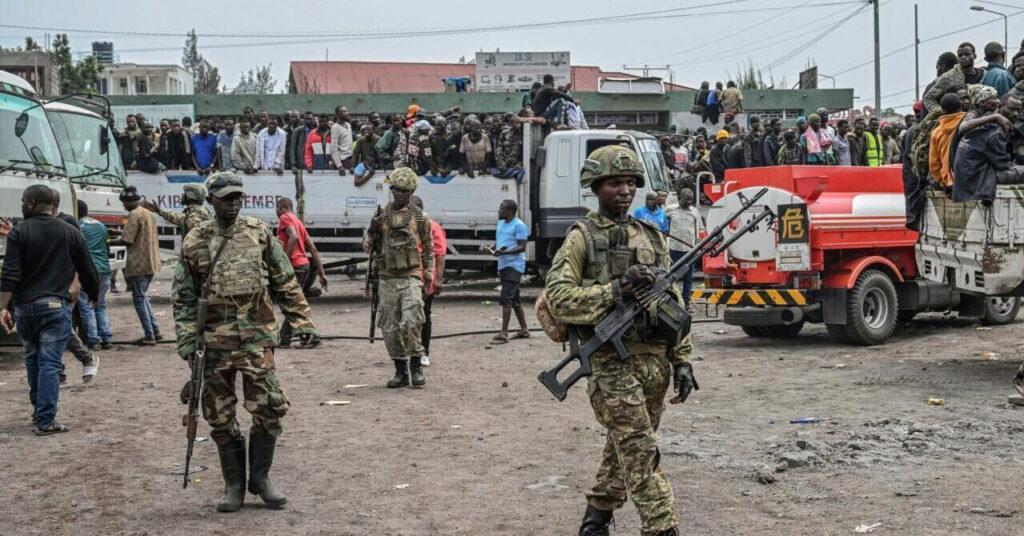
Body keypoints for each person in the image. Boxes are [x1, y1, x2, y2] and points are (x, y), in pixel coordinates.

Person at [544, 145, 694, 536]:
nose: (624, 190)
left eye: (630, 182)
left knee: (625, 447)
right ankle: (662, 528)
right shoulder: (581, 237)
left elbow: (672, 302)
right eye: (614, 183)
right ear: (596, 187)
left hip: (654, 363)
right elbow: (558, 298)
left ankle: (595, 520)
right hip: (610, 361)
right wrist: (615, 291)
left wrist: (682, 360)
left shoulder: (651, 236)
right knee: (641, 452)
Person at [173, 172, 315, 513]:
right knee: (220, 417)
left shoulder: (258, 233)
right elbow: (183, 298)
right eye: (226, 197)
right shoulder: (195, 240)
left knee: (269, 409)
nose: (234, 202)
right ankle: (234, 484)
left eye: (238, 196)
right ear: (212, 200)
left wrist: (302, 321)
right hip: (215, 345)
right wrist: (189, 344)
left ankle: (260, 479)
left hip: (255, 340)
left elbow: (285, 280)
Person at [0, 185, 99, 435]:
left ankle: (38, 412)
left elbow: (10, 274)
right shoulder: (70, 231)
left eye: (23, 201)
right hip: (56, 307)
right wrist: (94, 296)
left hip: (25, 309)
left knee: (32, 359)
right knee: (49, 363)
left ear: (32, 203)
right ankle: (46, 420)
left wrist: (3, 306)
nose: (21, 205)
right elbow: (87, 268)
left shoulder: (19, 231)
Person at [362, 167, 434, 389]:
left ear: (411, 191)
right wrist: (373, 230)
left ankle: (416, 367)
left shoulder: (420, 217)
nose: (400, 194)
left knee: (412, 320)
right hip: (387, 277)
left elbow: (429, 248)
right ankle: (400, 370)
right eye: (396, 189)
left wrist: (429, 274)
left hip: (410, 275)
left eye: (404, 190)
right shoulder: (380, 216)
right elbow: (366, 247)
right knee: (390, 326)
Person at [50, 191, 98, 384]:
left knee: (61, 326)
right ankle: (57, 370)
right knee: (48, 330)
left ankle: (86, 357)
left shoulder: (68, 223)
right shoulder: (31, 225)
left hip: (65, 284)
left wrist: (77, 283)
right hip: (42, 285)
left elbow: (80, 257)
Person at [953, 85, 1024, 204]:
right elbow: (1003, 165)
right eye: (1011, 109)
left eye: (1018, 110)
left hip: (967, 172)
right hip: (977, 176)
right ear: (999, 107)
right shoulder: (994, 129)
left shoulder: (985, 119)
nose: (1016, 114)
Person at [111, 186, 162, 345]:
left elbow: (128, 240)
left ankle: (149, 336)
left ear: (128, 202)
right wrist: (119, 232)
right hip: (151, 261)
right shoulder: (148, 213)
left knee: (139, 299)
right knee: (143, 296)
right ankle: (155, 331)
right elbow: (138, 234)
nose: (124, 207)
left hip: (139, 263)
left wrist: (109, 240)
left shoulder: (133, 214)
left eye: (124, 204)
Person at [274, 197, 326, 348]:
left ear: (280, 207)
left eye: (277, 209)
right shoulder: (298, 222)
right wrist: (322, 274)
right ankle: (286, 339)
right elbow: (313, 249)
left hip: (295, 266)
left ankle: (309, 336)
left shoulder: (284, 218)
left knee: (291, 303)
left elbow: (293, 237)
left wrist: (285, 262)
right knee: (294, 303)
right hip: (304, 266)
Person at [484, 199, 529, 344]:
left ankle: (504, 333)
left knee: (506, 298)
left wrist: (505, 252)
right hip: (503, 265)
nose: (499, 211)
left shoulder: (519, 225)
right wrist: (489, 248)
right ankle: (524, 329)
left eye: (502, 209)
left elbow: (522, 247)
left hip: (515, 266)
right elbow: (500, 241)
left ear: (510, 211)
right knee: (515, 299)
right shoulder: (501, 223)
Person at [411, 195, 446, 366]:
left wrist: (438, 279)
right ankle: (411, 350)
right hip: (408, 279)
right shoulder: (405, 225)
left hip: (426, 280)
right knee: (409, 317)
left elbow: (439, 254)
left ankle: (424, 352)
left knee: (424, 316)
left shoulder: (432, 227)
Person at [76, 200, 113, 352]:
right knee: (101, 304)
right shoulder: (100, 225)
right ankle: (106, 338)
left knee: (86, 306)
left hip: (88, 271)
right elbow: (107, 246)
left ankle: (93, 340)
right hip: (104, 269)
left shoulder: (77, 226)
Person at [664, 188, 702, 311]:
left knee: (688, 278)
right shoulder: (670, 210)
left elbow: (699, 230)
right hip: (674, 249)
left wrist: (698, 246)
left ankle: (686, 303)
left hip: (689, 250)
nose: (689, 202)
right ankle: (670, 302)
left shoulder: (695, 212)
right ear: (680, 198)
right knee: (671, 277)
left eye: (691, 200)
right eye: (687, 199)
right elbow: (663, 225)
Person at [924, 43, 986, 113]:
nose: (963, 57)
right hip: (959, 120)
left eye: (967, 54)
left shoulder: (984, 75)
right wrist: (941, 114)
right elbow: (928, 98)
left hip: (984, 118)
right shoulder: (949, 77)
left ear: (974, 56)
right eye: (960, 55)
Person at [142, 182, 212, 237]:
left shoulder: (194, 214)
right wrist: (158, 210)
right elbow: (178, 218)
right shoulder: (199, 210)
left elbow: (197, 237)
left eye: (185, 193)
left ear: (189, 196)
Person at [331, 106, 353, 176]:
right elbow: (333, 148)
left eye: (347, 111)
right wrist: (339, 165)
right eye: (343, 112)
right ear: (337, 114)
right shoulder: (335, 127)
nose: (346, 113)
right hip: (342, 160)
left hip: (350, 159)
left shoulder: (348, 125)